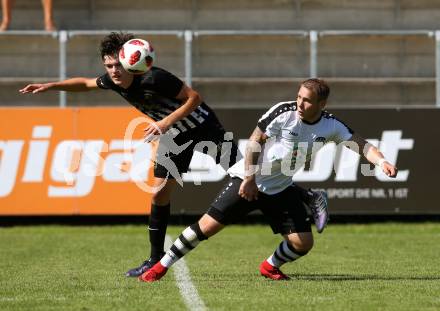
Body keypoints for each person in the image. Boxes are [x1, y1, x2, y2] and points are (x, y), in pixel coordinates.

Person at [19, 33, 328, 278]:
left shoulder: (155, 78)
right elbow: (85, 84)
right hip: (175, 138)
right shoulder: (113, 82)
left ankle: (307, 197)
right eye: (109, 66)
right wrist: (50, 86)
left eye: (118, 65)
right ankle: (154, 258)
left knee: (249, 176)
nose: (114, 71)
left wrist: (165, 121)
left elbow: (195, 98)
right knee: (158, 193)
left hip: (205, 128)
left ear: (131, 62)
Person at [139, 78, 398, 282]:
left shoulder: (331, 126)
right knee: (205, 228)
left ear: (322, 105)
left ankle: (270, 266)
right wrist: (250, 178)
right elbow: (254, 140)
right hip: (247, 179)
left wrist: (382, 161)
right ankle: (160, 268)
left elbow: (361, 145)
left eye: (307, 101)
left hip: (280, 188)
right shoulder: (283, 113)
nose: (299, 103)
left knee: (302, 244)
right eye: (298, 97)